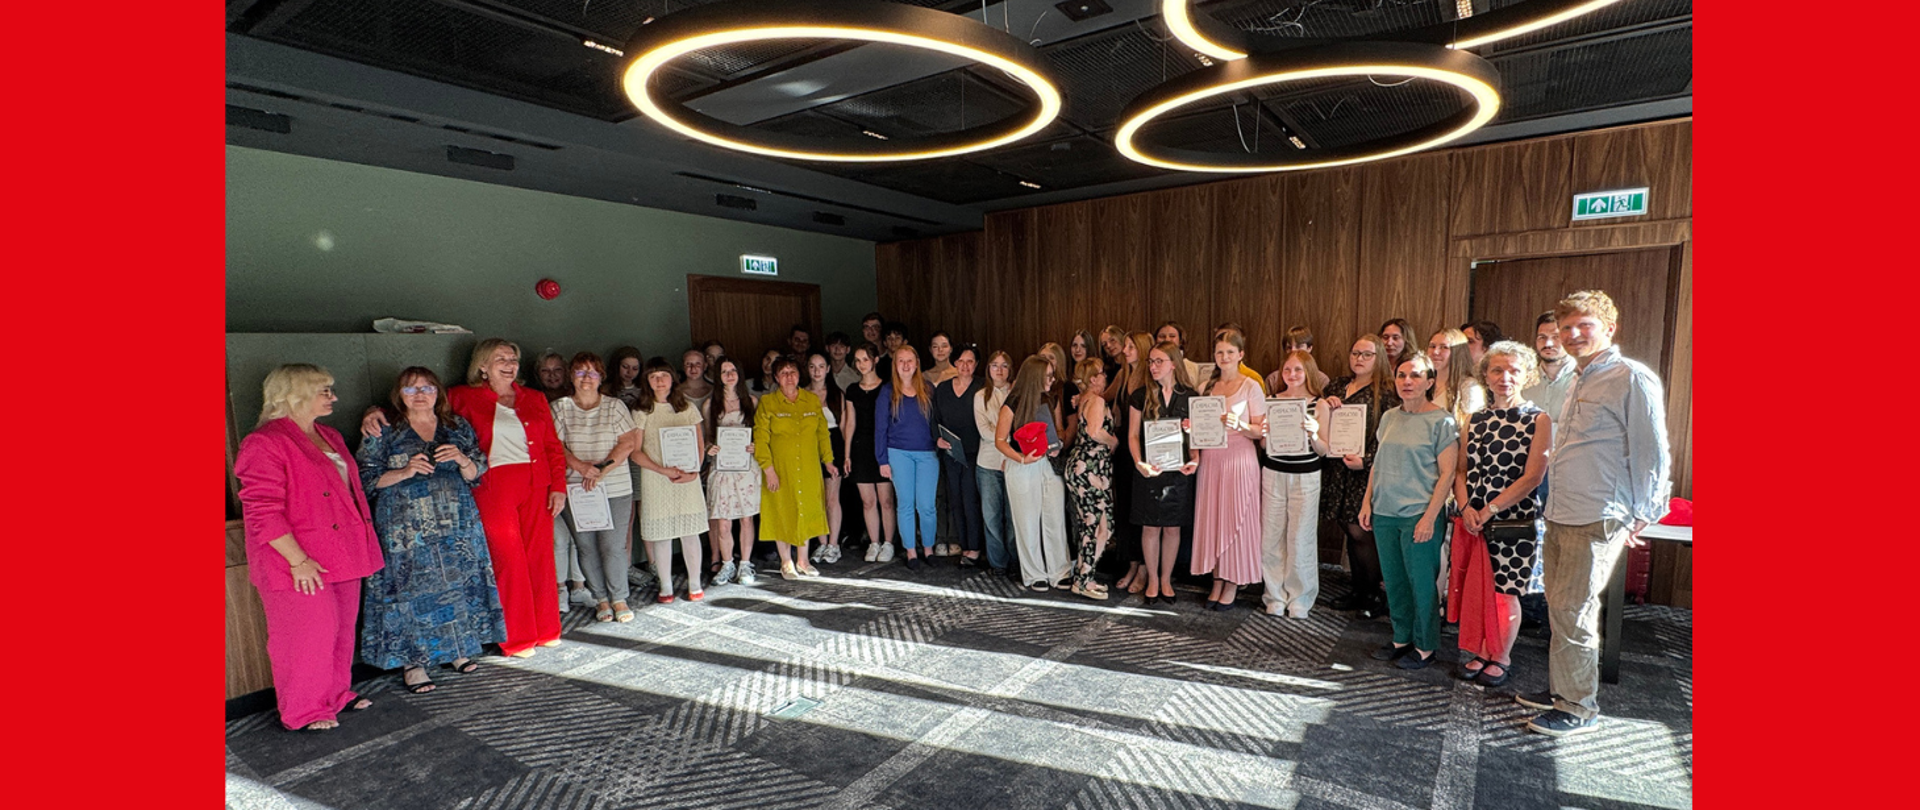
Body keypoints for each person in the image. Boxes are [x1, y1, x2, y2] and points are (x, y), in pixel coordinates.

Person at [1519, 290, 1671, 737]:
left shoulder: (1630, 377)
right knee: (1560, 606)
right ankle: (1563, 688)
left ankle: (1578, 706)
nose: (1572, 335)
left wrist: (1646, 510)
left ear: (1609, 327)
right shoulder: (1579, 378)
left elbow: (1652, 450)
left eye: (1583, 325)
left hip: (1598, 513)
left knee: (1575, 609)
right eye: (1566, 328)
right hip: (1562, 510)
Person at [361, 340, 569, 658]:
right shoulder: (463, 396)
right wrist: (373, 413)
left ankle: (547, 628)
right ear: (482, 366)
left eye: (513, 358)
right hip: (492, 484)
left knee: (540, 558)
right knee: (509, 561)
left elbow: (552, 446)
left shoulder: (535, 397)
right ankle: (518, 637)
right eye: (500, 358)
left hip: (536, 484)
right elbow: (420, 404)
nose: (509, 364)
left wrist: (558, 487)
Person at [236, 364, 385, 730]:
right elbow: (261, 510)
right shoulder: (264, 442)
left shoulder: (328, 435)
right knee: (305, 637)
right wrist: (298, 560)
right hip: (297, 558)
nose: (333, 397)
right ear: (295, 394)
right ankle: (303, 710)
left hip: (343, 550)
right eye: (324, 391)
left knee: (341, 630)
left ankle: (334, 695)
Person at [357, 367, 503, 694]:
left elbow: (476, 472)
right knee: (410, 590)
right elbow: (364, 480)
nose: (420, 394)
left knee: (458, 583)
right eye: (411, 389)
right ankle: (414, 663)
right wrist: (405, 471)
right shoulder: (384, 429)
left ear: (438, 392)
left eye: (427, 388)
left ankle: (457, 649)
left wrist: (462, 459)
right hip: (405, 527)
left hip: (456, 522)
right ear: (399, 395)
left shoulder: (456, 426)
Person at [1451, 341, 1552, 687]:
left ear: (1527, 375)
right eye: (1497, 370)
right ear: (1486, 375)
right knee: (1478, 590)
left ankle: (1501, 656)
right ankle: (1481, 650)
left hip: (1515, 520)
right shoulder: (1474, 420)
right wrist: (1466, 507)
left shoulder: (1538, 419)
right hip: (1474, 521)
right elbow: (1461, 470)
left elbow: (1533, 477)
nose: (1504, 377)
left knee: (1504, 592)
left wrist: (1490, 509)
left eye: (1513, 370)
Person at [1360, 353, 1459, 671]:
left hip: (1419, 513)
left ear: (1429, 382)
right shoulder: (1389, 417)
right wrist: (1367, 502)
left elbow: (1448, 473)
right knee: (1394, 580)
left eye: (1415, 375)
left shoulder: (1442, 421)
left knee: (1421, 583)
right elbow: (1378, 464)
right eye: (1401, 375)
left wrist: (1430, 517)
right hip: (1385, 512)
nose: (1407, 381)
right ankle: (1401, 637)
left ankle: (1426, 645)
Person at [551, 353, 640, 623]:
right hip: (578, 489)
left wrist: (601, 469)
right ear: (571, 376)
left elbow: (628, 443)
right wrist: (580, 467)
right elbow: (555, 446)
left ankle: (619, 598)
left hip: (615, 487)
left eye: (593, 372)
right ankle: (601, 599)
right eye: (580, 372)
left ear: (601, 377)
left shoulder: (615, 406)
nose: (586, 378)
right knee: (586, 547)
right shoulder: (559, 408)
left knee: (613, 546)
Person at [1322, 335, 1400, 619]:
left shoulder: (1387, 393)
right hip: (1337, 467)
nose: (1359, 359)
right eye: (1355, 353)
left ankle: (1374, 593)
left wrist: (1366, 461)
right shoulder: (1337, 386)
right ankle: (1357, 589)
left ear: (1379, 358)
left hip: (1364, 471)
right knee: (1347, 528)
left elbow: (1390, 437)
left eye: (1367, 354)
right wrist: (1325, 404)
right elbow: (1319, 420)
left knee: (1361, 531)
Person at [1191, 330, 1266, 611]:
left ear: (1240, 355)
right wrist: (1191, 428)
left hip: (1240, 458)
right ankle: (1217, 579)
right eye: (1220, 352)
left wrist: (1240, 425)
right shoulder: (1205, 387)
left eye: (1230, 352)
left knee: (1236, 517)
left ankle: (1233, 581)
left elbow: (1261, 431)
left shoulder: (1251, 386)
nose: (1224, 357)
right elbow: (1200, 428)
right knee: (1214, 517)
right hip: (1211, 459)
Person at [1258, 350, 1330, 618]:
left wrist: (1313, 434)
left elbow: (1324, 450)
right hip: (1274, 472)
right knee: (1272, 536)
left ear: (1308, 372)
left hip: (1306, 475)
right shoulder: (1271, 401)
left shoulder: (1320, 404)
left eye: (1298, 370)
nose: (1292, 375)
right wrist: (1265, 433)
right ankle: (1274, 595)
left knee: (1300, 537)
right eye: (1287, 370)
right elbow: (1263, 445)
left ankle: (1300, 596)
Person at [631, 357, 709, 603]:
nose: (659, 381)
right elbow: (635, 452)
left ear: (672, 378)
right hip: (656, 479)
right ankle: (666, 586)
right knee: (662, 535)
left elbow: (699, 444)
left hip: (686, 479)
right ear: (647, 381)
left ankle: (694, 583)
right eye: (653, 376)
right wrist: (661, 470)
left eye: (663, 375)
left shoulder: (687, 407)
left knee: (690, 532)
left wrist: (694, 471)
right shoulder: (642, 411)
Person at [1129, 343, 1199, 604]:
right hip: (1149, 470)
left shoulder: (1190, 397)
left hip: (1178, 471)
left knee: (1172, 528)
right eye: (1150, 361)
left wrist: (1196, 458)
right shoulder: (1140, 395)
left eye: (1159, 361)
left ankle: (1166, 579)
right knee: (1150, 527)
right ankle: (1153, 580)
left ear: (1173, 364)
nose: (1153, 366)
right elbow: (1132, 435)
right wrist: (1139, 463)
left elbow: (1196, 437)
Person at [996, 355, 1072, 591]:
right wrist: (1020, 458)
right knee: (1026, 521)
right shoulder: (1012, 403)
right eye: (1047, 376)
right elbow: (1000, 440)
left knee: (1055, 517)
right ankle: (1034, 573)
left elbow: (1059, 430)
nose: (1051, 380)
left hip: (1049, 463)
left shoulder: (1051, 399)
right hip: (1022, 464)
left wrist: (1058, 443)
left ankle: (1060, 571)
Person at [756, 356, 836, 578]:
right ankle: (786, 562)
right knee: (782, 511)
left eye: (793, 372)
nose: (789, 377)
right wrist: (768, 469)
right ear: (776, 378)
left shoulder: (811, 400)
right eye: (783, 373)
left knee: (806, 511)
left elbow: (822, 433)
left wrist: (828, 461)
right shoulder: (767, 403)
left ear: (800, 376)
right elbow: (760, 438)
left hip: (809, 468)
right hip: (780, 469)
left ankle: (803, 561)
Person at [531, 349, 589, 607]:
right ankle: (559, 590)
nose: (552, 375)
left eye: (557, 370)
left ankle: (580, 586)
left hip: (578, 477)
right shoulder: (532, 400)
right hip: (547, 479)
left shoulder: (576, 398)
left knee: (580, 535)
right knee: (559, 538)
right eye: (546, 371)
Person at [876, 346, 940, 569]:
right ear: (895, 365)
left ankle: (929, 548)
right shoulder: (887, 391)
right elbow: (880, 428)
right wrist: (882, 460)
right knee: (905, 504)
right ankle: (911, 551)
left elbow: (937, 422)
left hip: (927, 453)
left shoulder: (929, 389)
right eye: (900, 361)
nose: (905, 365)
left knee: (927, 505)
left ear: (917, 363)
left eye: (909, 360)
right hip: (898, 452)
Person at [703, 357, 761, 586]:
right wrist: (709, 447)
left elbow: (759, 433)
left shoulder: (752, 401)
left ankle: (745, 564)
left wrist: (755, 445)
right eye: (724, 371)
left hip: (746, 468)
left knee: (746, 518)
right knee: (723, 521)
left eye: (733, 370)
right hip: (722, 469)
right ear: (718, 376)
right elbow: (707, 437)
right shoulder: (710, 404)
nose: (729, 375)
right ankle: (727, 563)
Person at [1064, 359, 1119, 600]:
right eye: (1102, 374)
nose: (1105, 377)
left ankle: (1084, 576)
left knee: (1099, 525)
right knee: (1096, 525)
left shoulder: (1084, 399)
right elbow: (1094, 431)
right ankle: (1084, 579)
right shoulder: (1095, 401)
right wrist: (1113, 441)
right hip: (1091, 469)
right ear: (1094, 378)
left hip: (1086, 467)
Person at [844, 343, 898, 562]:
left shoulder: (887, 388)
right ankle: (874, 542)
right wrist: (847, 454)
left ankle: (888, 542)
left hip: (882, 446)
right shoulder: (852, 390)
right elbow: (850, 423)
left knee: (886, 500)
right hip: (860, 447)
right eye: (858, 360)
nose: (861, 364)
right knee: (867, 501)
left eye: (865, 359)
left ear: (875, 360)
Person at [931, 346, 985, 566]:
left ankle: (975, 547)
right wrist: (937, 439)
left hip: (975, 453)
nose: (965, 366)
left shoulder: (982, 386)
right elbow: (934, 418)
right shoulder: (943, 388)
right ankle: (964, 546)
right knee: (955, 499)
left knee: (970, 499)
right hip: (950, 452)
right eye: (961, 361)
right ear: (954, 363)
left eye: (970, 361)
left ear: (976, 364)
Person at [802, 351, 849, 564]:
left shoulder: (837, 394)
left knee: (832, 498)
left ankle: (833, 544)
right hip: (809, 447)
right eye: (812, 366)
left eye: (821, 366)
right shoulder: (801, 394)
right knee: (816, 498)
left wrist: (846, 455)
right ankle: (821, 543)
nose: (817, 371)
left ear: (828, 369)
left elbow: (844, 427)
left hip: (834, 444)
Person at [973, 351, 1016, 574]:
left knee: (1013, 516)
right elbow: (984, 430)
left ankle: (1016, 561)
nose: (999, 370)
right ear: (988, 369)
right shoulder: (980, 396)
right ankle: (998, 563)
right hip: (988, 463)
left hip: (1013, 462)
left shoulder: (1016, 393)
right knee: (991, 517)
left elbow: (1020, 427)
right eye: (994, 365)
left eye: (1004, 365)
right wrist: (1006, 437)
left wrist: (1001, 434)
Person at [1522, 312, 1576, 420]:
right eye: (1542, 337)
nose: (1548, 344)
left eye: (1556, 337)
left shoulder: (1584, 379)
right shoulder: (1524, 381)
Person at [1428, 327, 1488, 425]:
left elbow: (1471, 426)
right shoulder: (1425, 382)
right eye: (1432, 346)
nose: (1435, 352)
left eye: (1444, 347)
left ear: (1458, 352)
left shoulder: (1469, 386)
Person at [1266, 327, 1330, 393]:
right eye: (1289, 347)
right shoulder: (1272, 380)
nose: (1293, 350)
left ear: (1309, 348)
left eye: (1298, 346)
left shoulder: (1322, 380)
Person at [1155, 321, 1208, 391]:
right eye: (1162, 336)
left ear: (1180, 340)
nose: (1167, 339)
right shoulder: (1152, 365)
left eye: (1172, 336)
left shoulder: (1192, 367)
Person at [608, 346, 646, 410]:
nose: (630, 372)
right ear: (617, 366)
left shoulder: (645, 389)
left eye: (635, 368)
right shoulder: (606, 389)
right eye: (625, 367)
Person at [679, 348, 715, 416]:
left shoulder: (714, 391)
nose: (693, 368)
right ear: (683, 367)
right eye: (688, 364)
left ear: (705, 366)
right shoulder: (676, 392)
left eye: (698, 364)